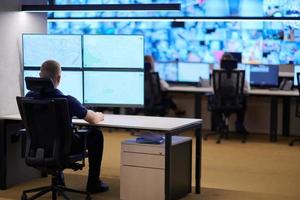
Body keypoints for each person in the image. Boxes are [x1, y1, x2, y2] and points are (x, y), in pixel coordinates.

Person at [26, 60, 109, 194]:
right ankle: (93, 183)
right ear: (58, 78)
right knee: (96, 134)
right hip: (66, 149)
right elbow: (92, 120)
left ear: (40, 75)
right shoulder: (66, 100)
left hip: (38, 148)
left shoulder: (29, 98)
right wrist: (99, 115)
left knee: (55, 137)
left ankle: (58, 180)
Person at [216, 52, 248, 134]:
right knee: (244, 99)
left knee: (214, 101)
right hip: (236, 103)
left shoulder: (217, 74)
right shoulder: (240, 73)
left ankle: (220, 125)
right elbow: (246, 90)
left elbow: (214, 90)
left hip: (220, 103)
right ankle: (239, 125)